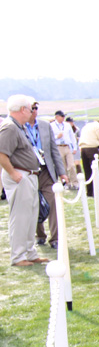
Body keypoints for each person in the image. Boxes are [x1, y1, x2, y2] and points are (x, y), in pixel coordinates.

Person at [0, 94, 48, 266]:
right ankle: (18, 256)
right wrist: (13, 173)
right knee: (20, 217)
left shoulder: (19, 127)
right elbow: (2, 153)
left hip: (29, 175)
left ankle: (29, 252)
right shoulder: (9, 127)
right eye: (30, 109)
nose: (32, 112)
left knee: (30, 216)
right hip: (20, 176)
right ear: (22, 109)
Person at [25, 102, 68, 249]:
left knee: (52, 204)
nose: (34, 111)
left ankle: (55, 238)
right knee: (34, 203)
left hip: (46, 171)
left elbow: (53, 150)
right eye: (31, 108)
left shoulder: (44, 126)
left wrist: (62, 172)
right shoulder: (19, 127)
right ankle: (40, 235)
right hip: (29, 171)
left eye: (36, 108)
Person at [78, 117, 99, 197]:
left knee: (88, 172)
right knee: (96, 172)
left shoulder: (87, 126)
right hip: (92, 149)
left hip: (83, 149)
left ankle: (89, 191)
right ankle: (96, 192)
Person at [51, 110, 79, 185]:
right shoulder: (52, 125)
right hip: (58, 147)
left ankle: (75, 182)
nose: (63, 118)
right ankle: (66, 183)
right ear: (57, 117)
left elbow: (72, 136)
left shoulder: (67, 125)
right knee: (62, 166)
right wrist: (57, 137)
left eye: (64, 116)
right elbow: (50, 137)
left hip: (67, 146)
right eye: (62, 116)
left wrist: (75, 147)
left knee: (71, 165)